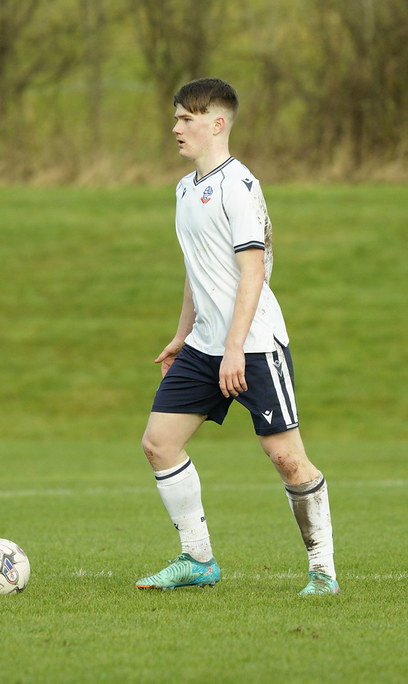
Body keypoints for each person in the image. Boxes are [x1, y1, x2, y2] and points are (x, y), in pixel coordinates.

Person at [135, 78, 338, 596]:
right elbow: (196, 270)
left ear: (216, 124)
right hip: (206, 345)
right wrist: (183, 335)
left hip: (254, 345)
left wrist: (234, 350)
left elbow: (253, 274)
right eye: (177, 117)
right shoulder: (184, 189)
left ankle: (322, 571)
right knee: (159, 444)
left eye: (186, 118)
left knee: (287, 458)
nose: (175, 127)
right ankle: (197, 559)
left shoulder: (239, 186)